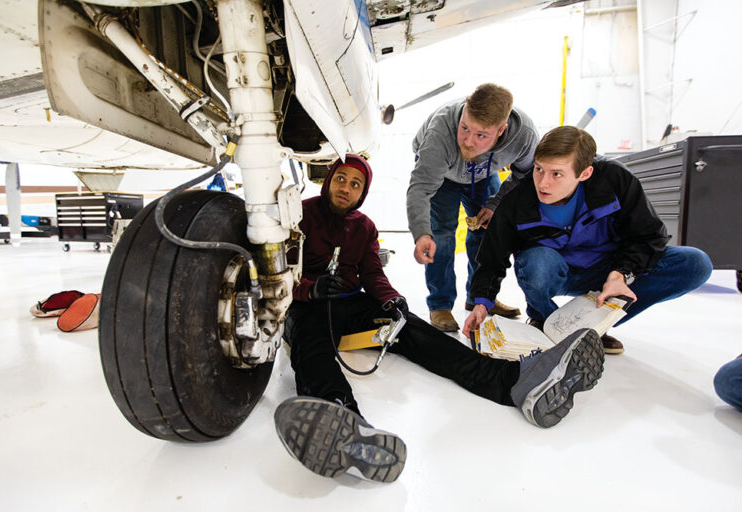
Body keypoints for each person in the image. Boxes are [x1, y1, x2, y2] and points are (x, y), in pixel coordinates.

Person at [274, 154, 606, 483]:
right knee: (310, 343)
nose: (346, 187)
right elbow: (275, 273)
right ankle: (341, 418)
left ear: (363, 192)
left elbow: (372, 273)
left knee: (417, 331)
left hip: (351, 302)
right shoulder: (300, 214)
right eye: (341, 179)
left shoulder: (364, 227)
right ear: (329, 179)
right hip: (305, 304)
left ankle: (514, 382)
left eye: (355, 183)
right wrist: (308, 289)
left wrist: (393, 301)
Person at [462, 126, 713, 354]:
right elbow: (492, 258)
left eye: (557, 174)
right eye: (539, 169)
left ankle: (592, 328)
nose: (543, 182)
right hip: (555, 271)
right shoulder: (517, 198)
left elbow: (649, 236)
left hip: (608, 272)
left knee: (694, 263)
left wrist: (622, 273)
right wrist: (482, 303)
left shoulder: (615, 180)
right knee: (536, 261)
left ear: (585, 173)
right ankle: (544, 321)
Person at [407, 83, 539, 333]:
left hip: (483, 174)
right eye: (465, 128)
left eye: (481, 135)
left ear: (502, 130)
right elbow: (421, 188)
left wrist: (496, 203)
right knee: (441, 234)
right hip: (442, 173)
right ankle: (440, 304)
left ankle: (479, 298)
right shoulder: (441, 131)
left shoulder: (525, 136)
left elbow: (525, 175)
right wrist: (421, 233)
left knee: (488, 232)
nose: (467, 141)